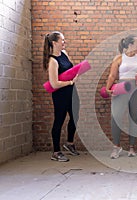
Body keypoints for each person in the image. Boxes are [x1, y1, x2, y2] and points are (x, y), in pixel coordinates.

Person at [105, 35, 137, 159]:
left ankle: (132, 147)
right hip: (121, 88)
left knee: (134, 118)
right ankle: (116, 147)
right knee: (116, 117)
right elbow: (112, 76)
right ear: (130, 45)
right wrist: (108, 88)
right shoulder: (118, 58)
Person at [43, 31, 80, 162]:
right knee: (59, 120)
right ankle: (56, 152)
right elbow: (54, 83)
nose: (64, 42)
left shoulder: (64, 54)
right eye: (62, 40)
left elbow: (70, 69)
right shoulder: (52, 61)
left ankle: (69, 143)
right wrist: (70, 82)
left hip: (71, 91)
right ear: (54, 43)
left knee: (75, 117)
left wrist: (75, 74)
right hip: (60, 94)